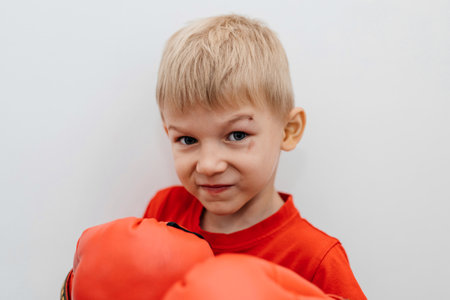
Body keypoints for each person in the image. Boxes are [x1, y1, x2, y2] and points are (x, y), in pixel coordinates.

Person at [144, 14, 366, 300]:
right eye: (187, 140)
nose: (209, 165)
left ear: (288, 130)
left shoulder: (315, 260)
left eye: (237, 135)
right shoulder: (164, 213)